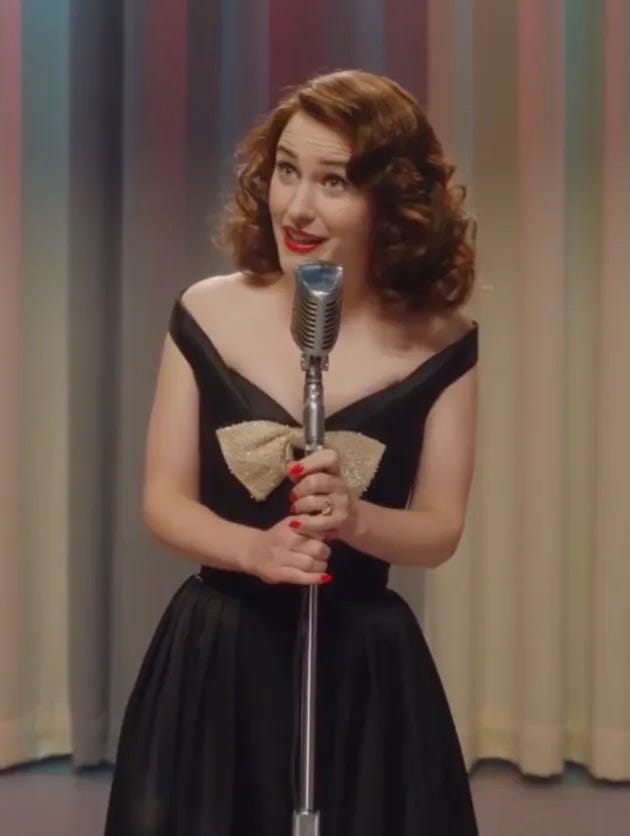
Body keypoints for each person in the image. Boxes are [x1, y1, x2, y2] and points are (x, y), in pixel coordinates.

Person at [104, 69, 479, 835]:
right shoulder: (207, 310)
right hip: (219, 658)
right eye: (286, 171)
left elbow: (440, 529)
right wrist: (254, 549)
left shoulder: (444, 341)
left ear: (391, 201)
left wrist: (357, 520)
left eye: (333, 181)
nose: (297, 207)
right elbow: (163, 501)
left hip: (363, 671)